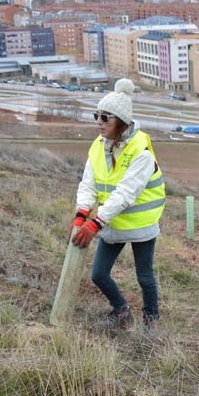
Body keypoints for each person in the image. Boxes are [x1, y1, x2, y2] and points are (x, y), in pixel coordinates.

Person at [70, 78, 165, 329]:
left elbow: (125, 193)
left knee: (144, 277)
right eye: (96, 116)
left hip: (139, 223)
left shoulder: (141, 152)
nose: (99, 122)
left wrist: (95, 223)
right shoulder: (98, 146)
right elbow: (88, 182)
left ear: (121, 122)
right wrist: (82, 213)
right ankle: (122, 310)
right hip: (112, 222)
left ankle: (151, 322)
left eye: (105, 117)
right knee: (99, 274)